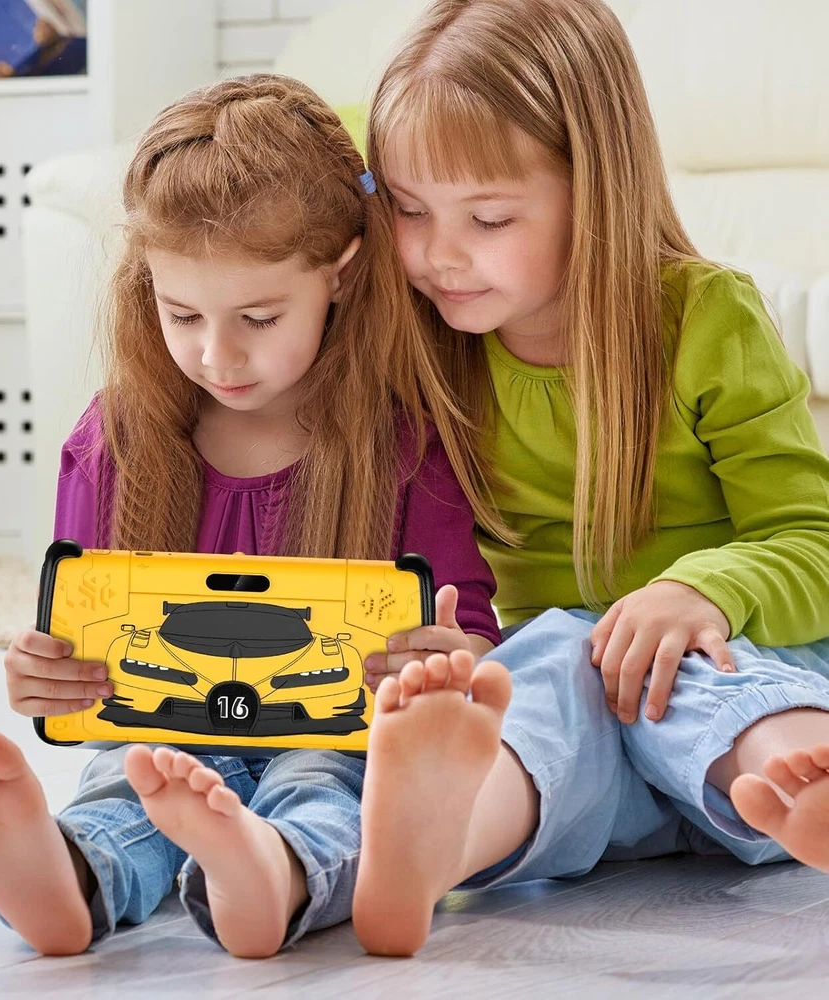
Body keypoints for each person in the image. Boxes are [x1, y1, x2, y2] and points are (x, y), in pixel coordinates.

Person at [0, 75, 505, 959]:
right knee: (127, 785)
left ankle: (271, 869)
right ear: (147, 282)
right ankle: (68, 875)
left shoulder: (404, 447)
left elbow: (472, 640)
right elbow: (83, 629)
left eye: (259, 318)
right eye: (183, 313)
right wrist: (43, 672)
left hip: (331, 731)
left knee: (326, 787)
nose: (216, 354)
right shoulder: (112, 444)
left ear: (343, 274)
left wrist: (445, 661)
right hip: (163, 729)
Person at [352, 0, 829, 957]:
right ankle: (429, 850)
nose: (439, 253)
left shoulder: (705, 319)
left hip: (733, 681)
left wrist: (700, 593)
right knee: (534, 681)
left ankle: (805, 779)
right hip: (586, 745)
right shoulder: (428, 349)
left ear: (595, 190)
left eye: (488, 217)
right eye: (407, 208)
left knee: (667, 671)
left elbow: (813, 540)